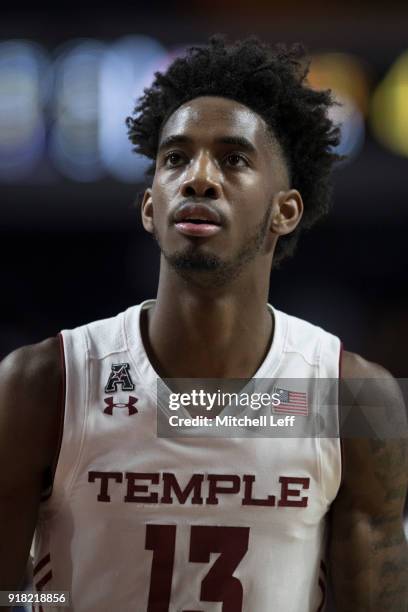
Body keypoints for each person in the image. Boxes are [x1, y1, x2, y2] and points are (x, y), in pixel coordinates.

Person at [0, 35, 407, 612]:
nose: (199, 178)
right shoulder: (44, 383)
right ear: (149, 206)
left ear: (285, 211)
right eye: (176, 158)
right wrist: (54, 603)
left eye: (233, 158)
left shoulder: (350, 398)